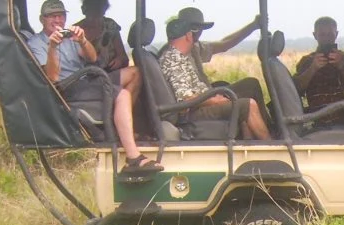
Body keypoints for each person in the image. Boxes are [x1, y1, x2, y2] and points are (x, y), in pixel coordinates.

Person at [27, 0, 161, 173]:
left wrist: (82, 40)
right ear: (42, 20)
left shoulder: (70, 36)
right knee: (122, 95)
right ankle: (133, 156)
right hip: (68, 89)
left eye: (61, 16)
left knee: (134, 73)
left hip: (88, 80)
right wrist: (52, 47)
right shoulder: (36, 43)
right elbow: (52, 77)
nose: (57, 20)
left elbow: (92, 58)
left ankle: (122, 128)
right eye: (52, 16)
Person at [160, 14, 271, 141]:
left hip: (202, 101)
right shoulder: (174, 59)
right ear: (188, 35)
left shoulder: (182, 53)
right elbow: (186, 100)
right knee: (248, 105)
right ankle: (272, 147)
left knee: (247, 89)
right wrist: (213, 100)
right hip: (193, 111)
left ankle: (250, 140)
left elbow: (224, 44)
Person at [73, 0, 128, 72]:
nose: (95, 19)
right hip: (86, 76)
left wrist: (119, 61)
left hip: (110, 73)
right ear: (84, 10)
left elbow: (123, 57)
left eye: (98, 13)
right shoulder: (75, 31)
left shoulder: (110, 26)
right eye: (92, 13)